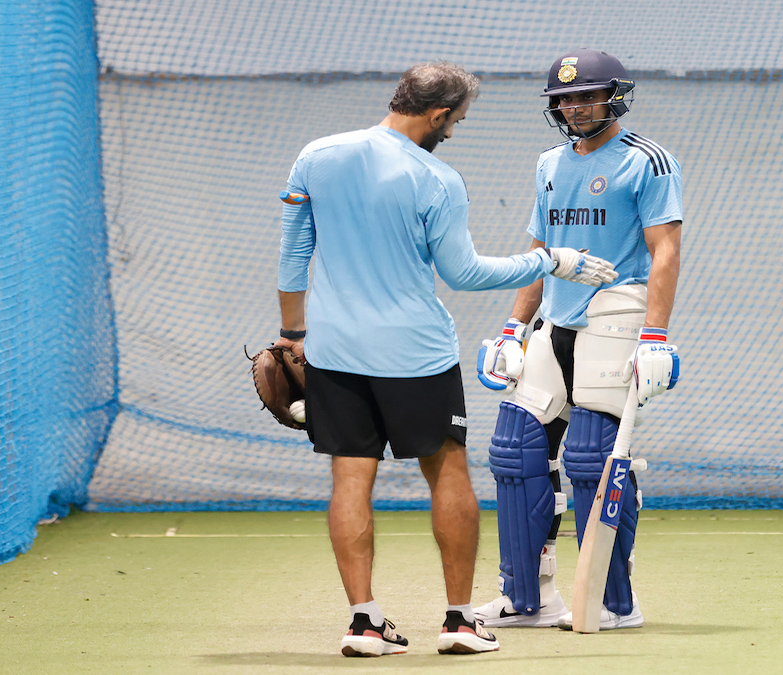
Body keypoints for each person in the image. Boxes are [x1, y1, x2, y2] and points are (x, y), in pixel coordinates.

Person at [272, 61, 617, 657]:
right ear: (436, 114)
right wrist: (549, 260)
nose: (454, 131)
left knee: (351, 477)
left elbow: (293, 253)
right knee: (449, 472)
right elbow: (464, 273)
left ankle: (364, 622)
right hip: (415, 355)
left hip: (333, 350)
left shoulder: (317, 155)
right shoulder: (436, 178)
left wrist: (291, 332)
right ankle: (459, 620)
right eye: (455, 121)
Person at [473, 48, 683, 631]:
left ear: (615, 95)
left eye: (585, 95)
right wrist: (514, 329)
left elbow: (665, 250)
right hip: (554, 323)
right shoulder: (548, 163)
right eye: (563, 99)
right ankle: (526, 599)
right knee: (513, 453)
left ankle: (614, 603)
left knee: (593, 458)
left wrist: (656, 334)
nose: (573, 107)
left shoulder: (648, 160)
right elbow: (542, 258)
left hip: (616, 315)